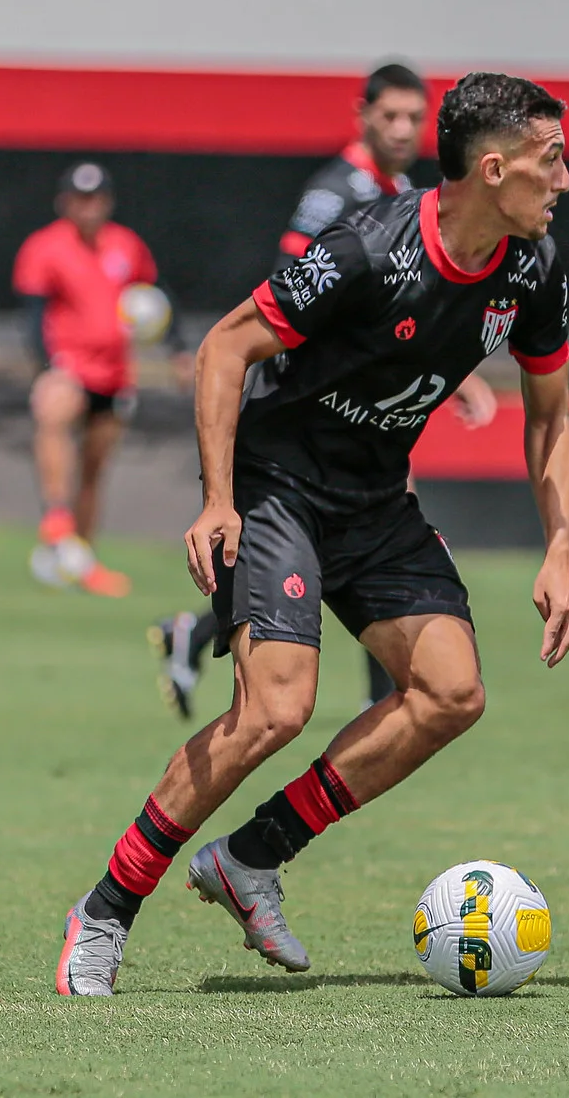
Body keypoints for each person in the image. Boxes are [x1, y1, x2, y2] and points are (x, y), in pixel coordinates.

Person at [55, 72, 569, 997]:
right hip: (279, 490)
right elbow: (224, 347)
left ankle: (252, 857)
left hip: (375, 501)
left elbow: (550, 415)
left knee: (453, 693)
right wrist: (219, 500)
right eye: (551, 162)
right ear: (493, 170)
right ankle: (104, 909)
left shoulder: (533, 267)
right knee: (276, 708)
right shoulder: (368, 248)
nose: (565, 181)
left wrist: (561, 546)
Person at [151, 64, 499, 719]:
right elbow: (294, 288)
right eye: (389, 116)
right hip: (313, 413)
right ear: (361, 114)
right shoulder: (333, 194)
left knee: (357, 539)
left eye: (412, 118)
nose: (401, 129)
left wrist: (455, 371)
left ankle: (195, 634)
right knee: (377, 529)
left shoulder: (400, 191)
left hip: (366, 411)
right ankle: (384, 699)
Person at [15, 162, 189, 597]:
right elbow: (34, 317)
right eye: (78, 197)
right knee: (52, 412)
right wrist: (45, 367)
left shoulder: (126, 246)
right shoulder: (45, 247)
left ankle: (81, 558)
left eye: (94, 198)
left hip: (113, 375)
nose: (87, 206)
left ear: (107, 202)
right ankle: (56, 517)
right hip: (70, 367)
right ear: (64, 202)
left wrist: (178, 348)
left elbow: (157, 295)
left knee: (94, 469)